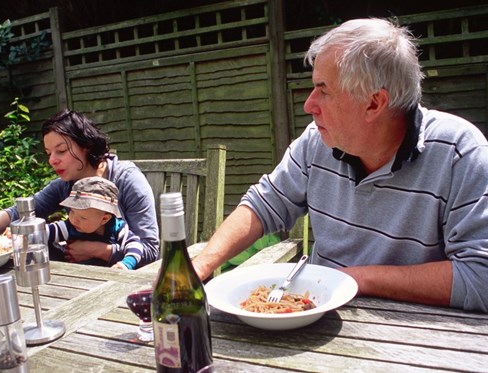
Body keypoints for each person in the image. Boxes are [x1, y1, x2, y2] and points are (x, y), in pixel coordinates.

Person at [193, 18, 488, 312]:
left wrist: (357, 280)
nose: (309, 105)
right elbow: (263, 205)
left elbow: (481, 278)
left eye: (323, 90)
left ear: (374, 103)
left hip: (417, 336)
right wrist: (199, 267)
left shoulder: (459, 153)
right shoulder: (316, 142)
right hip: (318, 319)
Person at [0, 109, 159, 268]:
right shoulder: (65, 184)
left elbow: (151, 251)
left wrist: (98, 250)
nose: (52, 160)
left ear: (86, 146)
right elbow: (16, 214)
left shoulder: (127, 180)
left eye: (61, 151)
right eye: (48, 153)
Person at [46, 176, 144, 269]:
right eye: (72, 211)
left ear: (104, 219)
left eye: (83, 217)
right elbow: (43, 232)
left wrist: (126, 264)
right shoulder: (69, 227)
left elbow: (136, 246)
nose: (74, 219)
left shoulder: (117, 228)